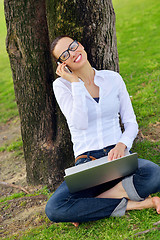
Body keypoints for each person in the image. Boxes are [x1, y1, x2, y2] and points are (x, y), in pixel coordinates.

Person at [45, 35, 160, 227]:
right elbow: (79, 123)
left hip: (118, 158)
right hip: (87, 164)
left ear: (80, 44)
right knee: (54, 208)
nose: (73, 53)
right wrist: (75, 83)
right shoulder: (62, 86)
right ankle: (135, 204)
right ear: (62, 64)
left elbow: (130, 122)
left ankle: (90, 205)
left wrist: (122, 145)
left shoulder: (112, 78)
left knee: (154, 174)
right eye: (65, 54)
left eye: (73, 46)